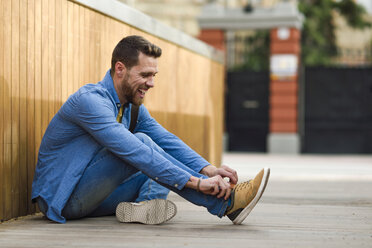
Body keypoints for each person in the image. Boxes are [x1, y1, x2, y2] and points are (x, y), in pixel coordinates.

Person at [31, 35, 270, 225]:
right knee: (142, 146)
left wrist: (208, 169)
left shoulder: (131, 107)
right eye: (145, 75)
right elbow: (134, 150)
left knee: (153, 156)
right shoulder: (90, 101)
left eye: (154, 75)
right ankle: (226, 204)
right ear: (120, 69)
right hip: (63, 200)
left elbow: (166, 140)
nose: (151, 83)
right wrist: (197, 183)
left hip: (95, 196)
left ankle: (143, 207)